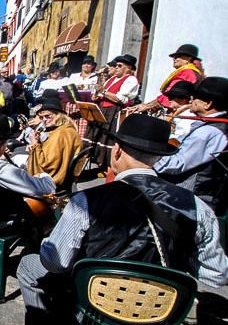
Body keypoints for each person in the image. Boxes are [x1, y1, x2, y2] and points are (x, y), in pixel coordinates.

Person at [17, 114, 228, 325]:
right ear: (159, 157)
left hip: (96, 313)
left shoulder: (86, 201)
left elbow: (55, 263)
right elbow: (217, 274)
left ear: (116, 151)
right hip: (161, 318)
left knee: (29, 266)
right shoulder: (196, 206)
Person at [154, 77, 228, 215]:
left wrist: (146, 156)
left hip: (191, 201)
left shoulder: (208, 132)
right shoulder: (214, 126)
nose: (191, 100)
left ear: (208, 104)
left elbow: (175, 164)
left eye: (195, 97)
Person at [86, 54, 140, 169]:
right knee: (96, 133)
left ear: (129, 68)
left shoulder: (131, 80)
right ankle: (94, 158)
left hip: (114, 111)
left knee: (108, 138)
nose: (116, 68)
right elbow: (103, 93)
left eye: (119, 66)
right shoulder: (112, 79)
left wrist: (103, 92)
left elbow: (120, 99)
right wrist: (97, 95)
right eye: (116, 65)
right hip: (103, 108)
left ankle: (106, 165)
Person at [128, 43, 203, 114]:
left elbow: (171, 93)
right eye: (174, 57)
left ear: (189, 58)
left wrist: (147, 106)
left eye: (178, 56)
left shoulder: (187, 73)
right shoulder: (188, 71)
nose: (174, 59)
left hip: (179, 111)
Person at [26, 96, 82, 186]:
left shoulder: (60, 134)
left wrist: (35, 144)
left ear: (59, 115)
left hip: (52, 180)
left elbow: (48, 165)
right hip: (66, 177)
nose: (44, 120)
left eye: (48, 116)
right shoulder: (67, 129)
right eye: (41, 117)